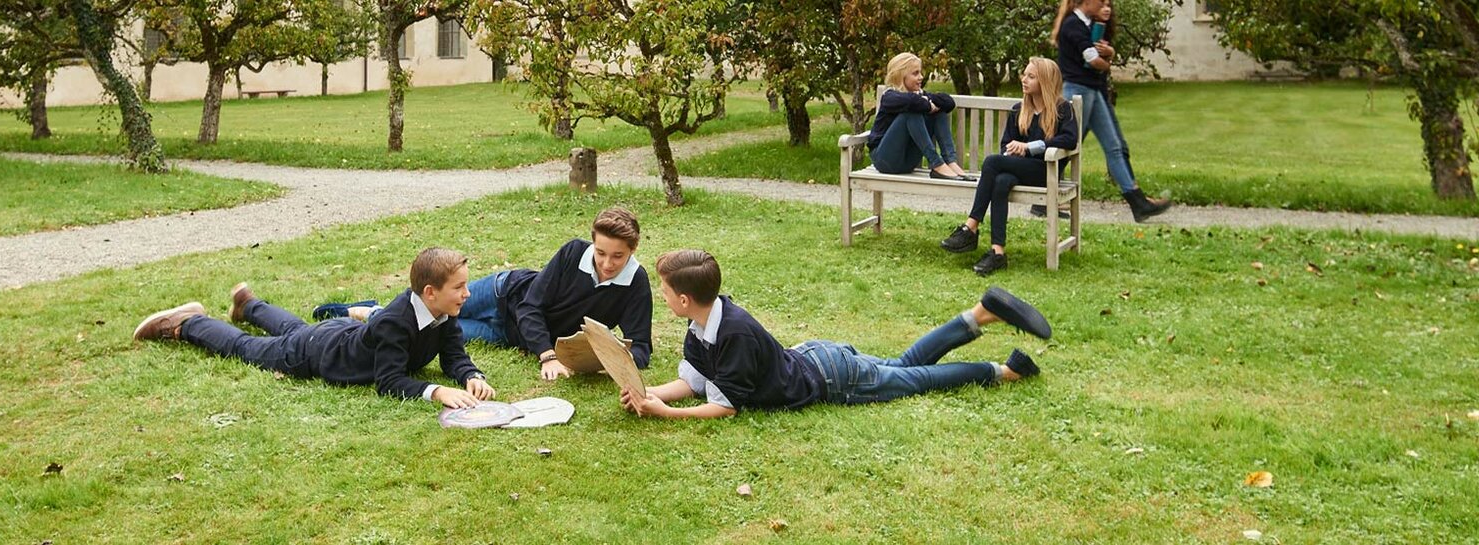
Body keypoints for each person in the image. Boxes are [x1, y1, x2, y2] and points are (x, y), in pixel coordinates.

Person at [619, 250, 1051, 419]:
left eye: (666, 291)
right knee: (903, 366)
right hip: (818, 358)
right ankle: (981, 313)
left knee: (911, 379)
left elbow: (726, 406)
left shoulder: (734, 333)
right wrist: (648, 390)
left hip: (830, 378)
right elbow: (695, 380)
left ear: (684, 299)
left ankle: (1000, 371)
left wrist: (666, 413)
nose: (663, 296)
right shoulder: (702, 323)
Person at [132, 248, 498, 409]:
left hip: (336, 332)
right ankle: (189, 323)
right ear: (430, 292)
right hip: (318, 352)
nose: (467, 293)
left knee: (295, 329)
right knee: (249, 348)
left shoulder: (445, 312)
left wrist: (470, 375)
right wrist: (436, 393)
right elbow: (388, 382)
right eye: (459, 287)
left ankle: (248, 305)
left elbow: (454, 355)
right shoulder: (394, 324)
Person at [317, 207, 655, 380]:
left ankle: (374, 316)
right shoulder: (572, 253)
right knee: (430, 305)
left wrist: (605, 363)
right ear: (592, 242)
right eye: (600, 252)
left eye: (618, 256)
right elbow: (531, 307)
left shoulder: (635, 282)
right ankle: (367, 311)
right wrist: (548, 355)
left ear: (633, 250)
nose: (607, 263)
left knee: (430, 331)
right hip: (504, 293)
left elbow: (640, 346)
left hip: (506, 335)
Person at [939, 58, 1079, 276]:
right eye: (1024, 74)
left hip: (1046, 172)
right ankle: (998, 252)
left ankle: (971, 227)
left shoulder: (1062, 109)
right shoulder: (1019, 110)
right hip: (1020, 169)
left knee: (992, 162)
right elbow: (1006, 143)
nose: (1024, 79)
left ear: (1046, 81)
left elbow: (1070, 140)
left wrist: (1029, 147)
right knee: (1001, 181)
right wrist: (1013, 150)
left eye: (1031, 76)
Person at [1052, 0, 1172, 222]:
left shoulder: (1088, 24)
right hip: (1078, 92)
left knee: (1113, 145)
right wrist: (1109, 60)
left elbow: (1096, 57)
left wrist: (1109, 54)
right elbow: (1093, 60)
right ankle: (1042, 196)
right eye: (1101, 1)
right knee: (1068, 145)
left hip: (1091, 91)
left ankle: (1138, 203)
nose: (1104, 5)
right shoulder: (1073, 25)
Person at [868, 52, 971, 180]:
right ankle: (936, 164)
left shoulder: (919, 96)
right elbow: (912, 101)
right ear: (900, 75)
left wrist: (931, 104)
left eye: (920, 72)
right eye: (915, 73)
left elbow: (948, 102)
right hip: (885, 160)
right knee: (910, 113)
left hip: (908, 162)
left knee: (939, 111)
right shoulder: (890, 97)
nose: (921, 77)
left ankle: (950, 161)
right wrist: (928, 105)